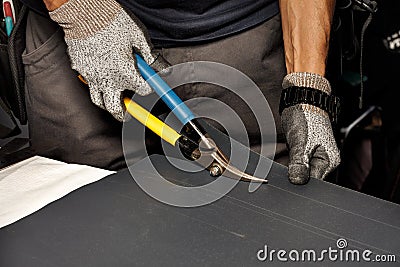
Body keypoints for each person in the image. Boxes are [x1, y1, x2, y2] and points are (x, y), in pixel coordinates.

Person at [20, 0, 340, 185]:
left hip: (247, 39)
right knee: (85, 223)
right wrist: (80, 13)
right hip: (76, 30)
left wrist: (307, 88)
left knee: (278, 217)